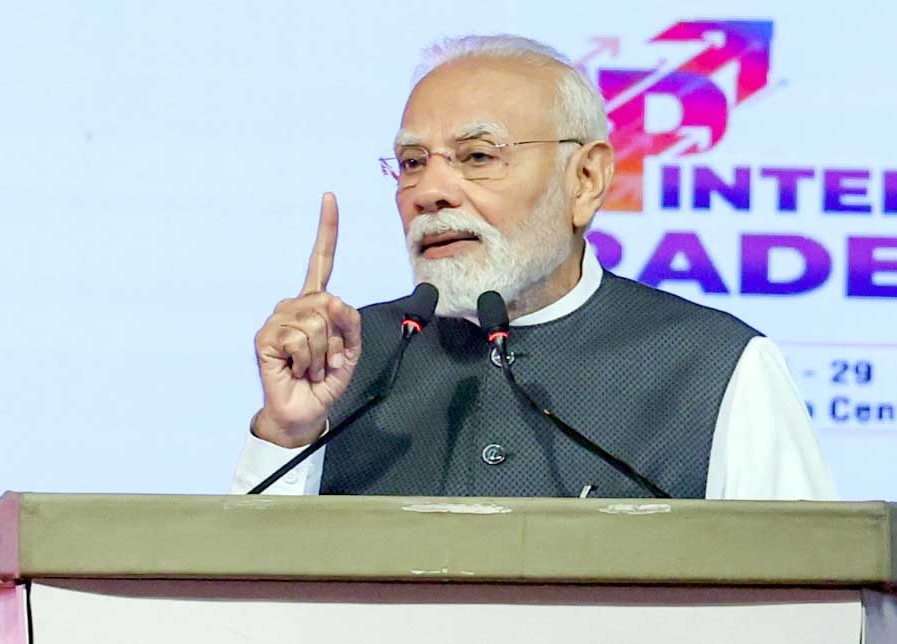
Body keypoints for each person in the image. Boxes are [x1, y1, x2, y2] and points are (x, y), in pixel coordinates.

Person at [231, 35, 836, 500]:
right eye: (412, 162)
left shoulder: (715, 364)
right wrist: (288, 434)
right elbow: (247, 599)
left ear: (586, 179)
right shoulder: (347, 361)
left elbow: (807, 599)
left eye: (477, 156)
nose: (429, 192)